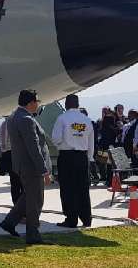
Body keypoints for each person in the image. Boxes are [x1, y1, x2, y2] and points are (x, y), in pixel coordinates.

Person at [0, 89, 52, 245]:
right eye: (37, 102)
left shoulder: (14, 116)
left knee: (28, 196)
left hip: (22, 165)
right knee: (36, 201)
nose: (38, 105)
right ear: (31, 103)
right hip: (32, 166)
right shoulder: (26, 119)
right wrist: (44, 170)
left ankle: (9, 222)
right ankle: (32, 234)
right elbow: (33, 147)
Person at [51, 94, 94, 228]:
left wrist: (62, 144)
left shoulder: (62, 118)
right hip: (82, 157)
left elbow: (56, 138)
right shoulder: (86, 120)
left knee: (68, 188)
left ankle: (71, 219)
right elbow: (91, 143)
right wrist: (89, 158)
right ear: (78, 104)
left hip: (67, 156)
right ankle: (86, 218)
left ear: (66, 104)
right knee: (82, 188)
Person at [0, 117, 23, 204]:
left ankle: (16, 205)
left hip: (7, 155)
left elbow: (2, 144)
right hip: (16, 154)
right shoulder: (15, 124)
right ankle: (21, 207)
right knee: (22, 183)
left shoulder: (3, 125)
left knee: (14, 183)